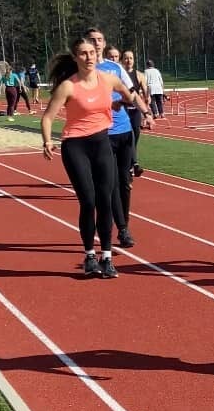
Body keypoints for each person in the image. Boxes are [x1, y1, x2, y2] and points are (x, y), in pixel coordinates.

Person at [41, 37, 152, 278]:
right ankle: (90, 256)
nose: (89, 57)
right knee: (88, 201)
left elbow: (129, 94)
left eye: (91, 52)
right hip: (75, 146)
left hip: (102, 143)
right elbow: (48, 117)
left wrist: (139, 109)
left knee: (105, 201)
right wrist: (48, 141)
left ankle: (107, 257)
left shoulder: (108, 79)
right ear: (75, 58)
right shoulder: (68, 86)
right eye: (83, 53)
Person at [101, 44, 150, 246]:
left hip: (124, 130)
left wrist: (146, 113)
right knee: (110, 184)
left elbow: (131, 94)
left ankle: (124, 228)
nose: (96, 43)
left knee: (124, 183)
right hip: (102, 134)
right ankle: (118, 227)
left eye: (99, 40)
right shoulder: (84, 72)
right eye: (92, 40)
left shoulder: (116, 69)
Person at [121, 49, 149, 177]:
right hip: (123, 110)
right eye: (126, 58)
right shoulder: (119, 75)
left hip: (135, 111)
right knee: (130, 136)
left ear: (134, 60)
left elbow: (145, 92)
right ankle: (134, 163)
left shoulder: (139, 75)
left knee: (135, 136)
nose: (128, 61)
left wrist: (146, 110)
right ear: (122, 60)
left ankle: (130, 162)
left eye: (131, 58)